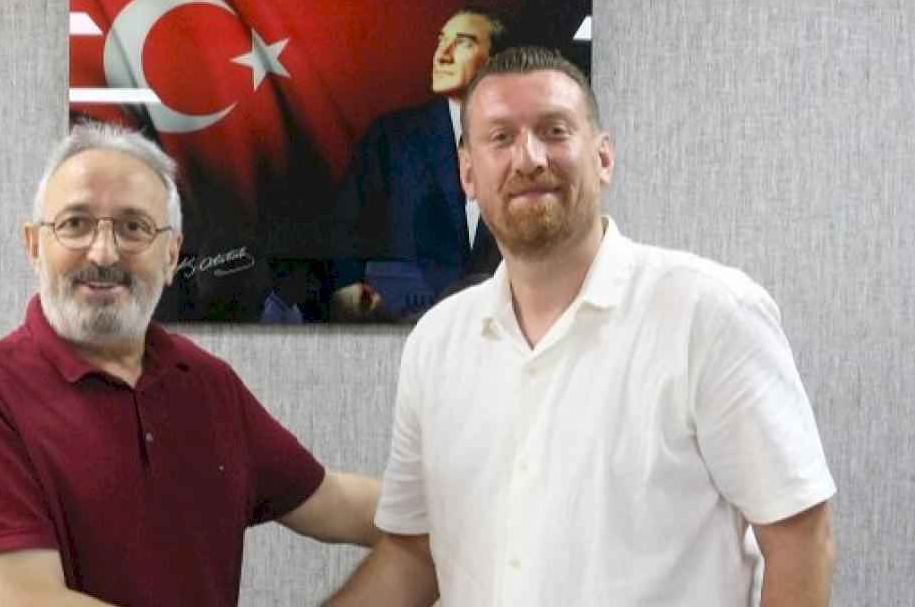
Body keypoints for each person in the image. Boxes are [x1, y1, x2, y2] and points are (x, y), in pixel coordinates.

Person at [328, 47, 837, 606]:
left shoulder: (710, 314)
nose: (529, 159)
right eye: (500, 137)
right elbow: (415, 553)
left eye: (554, 131)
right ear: (468, 174)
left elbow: (799, 540)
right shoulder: (436, 342)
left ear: (603, 158)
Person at [0, 123, 380, 606]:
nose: (103, 253)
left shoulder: (208, 384)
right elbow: (31, 600)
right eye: (75, 224)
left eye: (133, 227)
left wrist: (434, 503)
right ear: (34, 246)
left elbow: (332, 501)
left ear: (171, 254)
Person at [329, 7, 509, 321]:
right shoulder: (391, 137)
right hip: (402, 325)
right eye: (441, 41)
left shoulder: (525, 144)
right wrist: (346, 289)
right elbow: (346, 227)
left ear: (495, 62)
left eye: (463, 42)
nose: (442, 55)